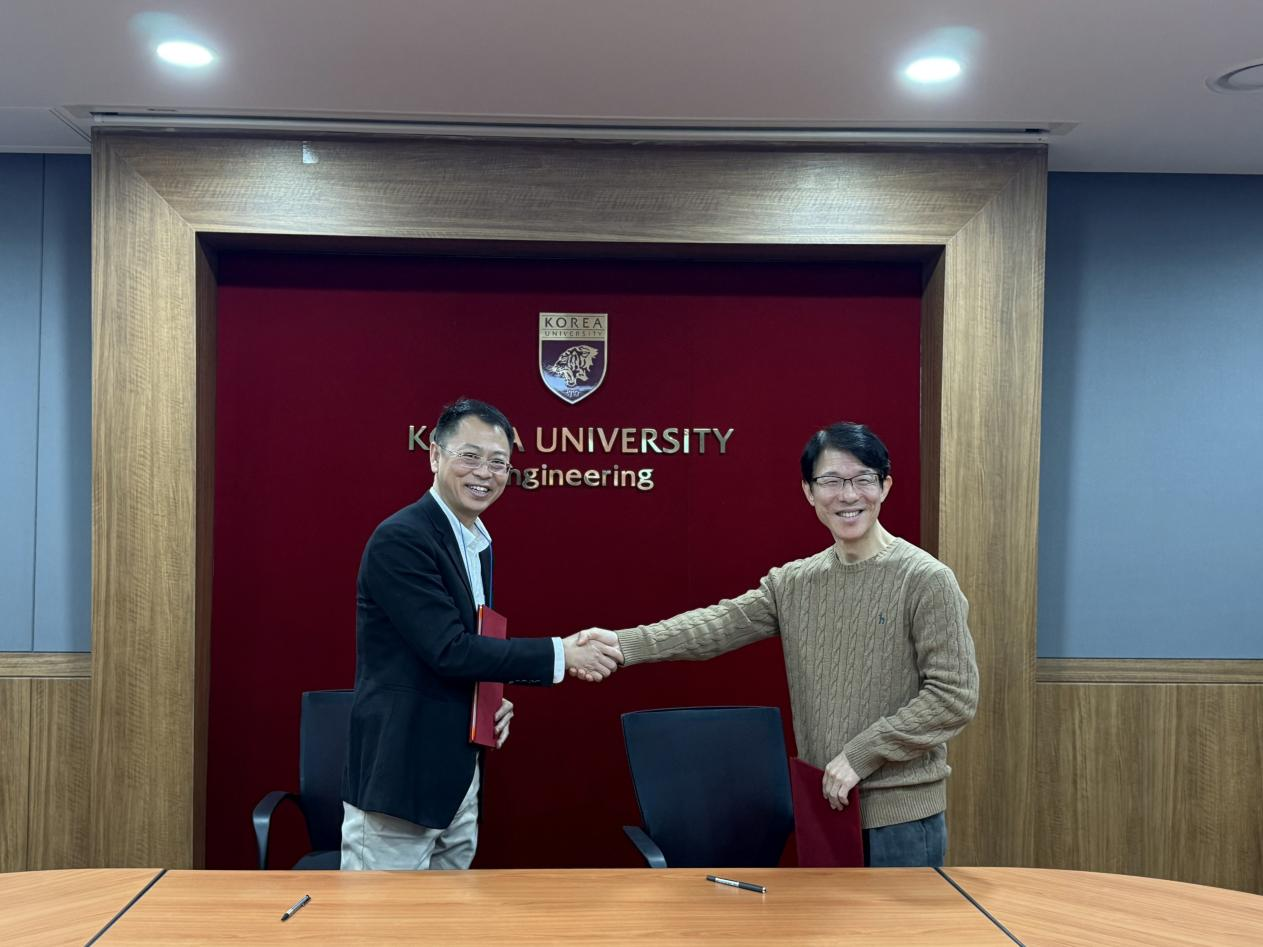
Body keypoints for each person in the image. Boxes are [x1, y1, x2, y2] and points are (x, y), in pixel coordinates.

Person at [577, 421, 978, 867]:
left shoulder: (925, 579)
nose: (848, 495)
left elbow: (953, 695)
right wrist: (623, 644)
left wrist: (861, 754)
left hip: (901, 821)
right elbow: (717, 625)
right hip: (826, 808)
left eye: (863, 479)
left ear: (885, 485)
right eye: (831, 481)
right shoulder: (794, 583)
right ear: (809, 491)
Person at [341, 397, 620, 871]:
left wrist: (486, 698)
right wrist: (562, 653)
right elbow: (449, 650)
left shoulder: (476, 542)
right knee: (383, 917)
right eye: (470, 456)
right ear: (435, 455)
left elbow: (462, 649)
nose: (484, 473)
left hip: (457, 778)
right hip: (402, 780)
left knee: (453, 915)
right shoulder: (402, 538)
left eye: (498, 463)